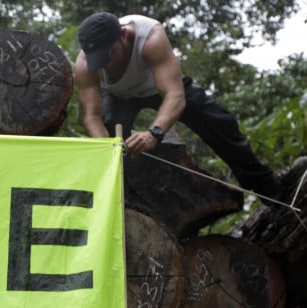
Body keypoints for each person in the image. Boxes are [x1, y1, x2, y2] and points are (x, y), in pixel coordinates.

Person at [74, 12, 279, 197]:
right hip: (119, 97)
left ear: (124, 36)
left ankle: (265, 187)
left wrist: (154, 132)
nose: (105, 65)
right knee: (109, 136)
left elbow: (174, 95)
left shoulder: (150, 38)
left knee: (215, 119)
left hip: (160, 88)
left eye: (108, 56)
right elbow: (92, 117)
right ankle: (126, 200)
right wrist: (107, 148)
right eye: (97, 61)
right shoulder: (85, 65)